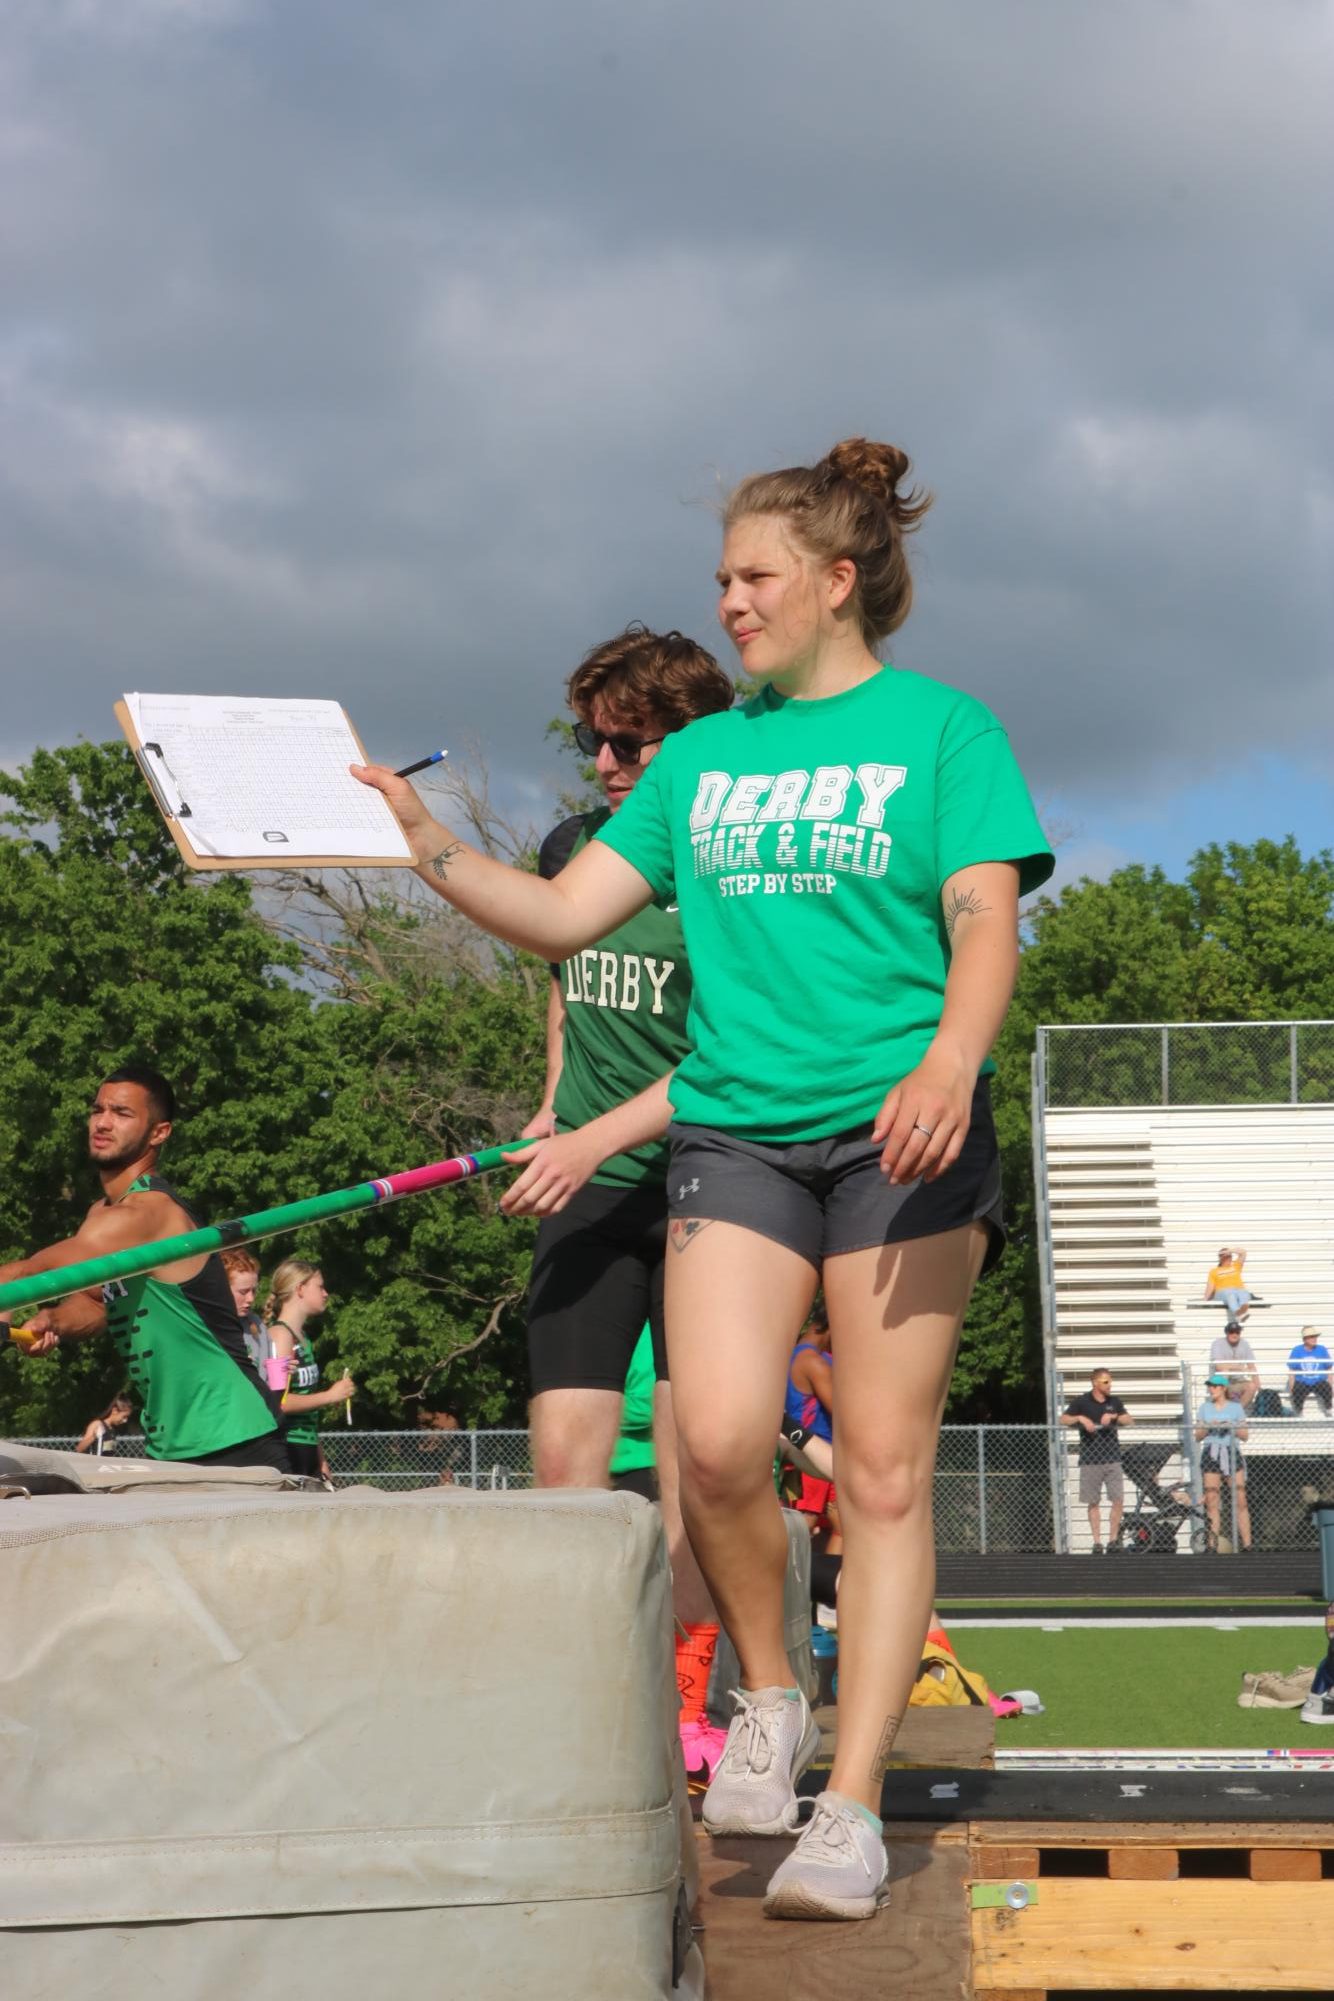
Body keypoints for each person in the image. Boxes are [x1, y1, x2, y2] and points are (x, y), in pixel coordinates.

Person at [353, 433, 1053, 1921]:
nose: (728, 602)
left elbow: (985, 921)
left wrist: (946, 1061)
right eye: (720, 578)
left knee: (875, 1468)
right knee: (722, 1449)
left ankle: (851, 1803)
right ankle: (767, 1691)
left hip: (899, 1134)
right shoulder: (698, 760)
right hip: (734, 1130)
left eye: (752, 577)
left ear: (834, 580)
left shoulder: (941, 731)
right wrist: (422, 844)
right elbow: (553, 915)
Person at [495, 624, 733, 1771]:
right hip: (584, 1183)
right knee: (564, 1467)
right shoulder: (569, 849)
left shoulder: (728, 872)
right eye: (593, 742)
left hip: (707, 1182)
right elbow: (565, 994)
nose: (604, 765)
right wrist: (552, 1109)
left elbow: (733, 1050)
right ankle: (579, 1697)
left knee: (699, 1476)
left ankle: (685, 1699)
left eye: (628, 745)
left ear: (690, 740)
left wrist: (592, 1137)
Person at [2, 1066, 290, 1470]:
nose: (102, 1122)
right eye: (97, 1109)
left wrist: (9, 1289)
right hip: (169, 1443)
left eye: (121, 1113)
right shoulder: (101, 1213)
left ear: (159, 1133)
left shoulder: (151, 1210)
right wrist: (52, 1320)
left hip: (234, 1434)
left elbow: (32, 1271)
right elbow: (100, 1302)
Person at [263, 1260, 355, 1480]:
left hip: (306, 1446)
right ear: (300, 1289)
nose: (326, 1294)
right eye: (320, 1287)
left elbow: (309, 1413)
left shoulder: (304, 1339)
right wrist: (331, 1396)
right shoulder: (281, 1336)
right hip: (287, 1445)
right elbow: (280, 1403)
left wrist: (320, 1458)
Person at [1060, 1368, 1131, 1553]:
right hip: (1091, 1459)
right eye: (1106, 1382)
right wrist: (1080, 1418)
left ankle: (1113, 1540)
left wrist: (1114, 1416)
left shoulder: (1114, 1402)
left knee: (1118, 1499)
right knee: (1093, 1501)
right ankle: (1097, 1542)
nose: (1110, 1385)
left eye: (1110, 1381)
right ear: (1095, 1383)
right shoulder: (1082, 1401)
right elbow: (1064, 1419)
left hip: (1112, 1458)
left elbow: (1128, 1419)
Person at [1195, 1372, 1252, 1551]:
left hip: (1230, 1452)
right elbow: (1197, 1436)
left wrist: (1231, 1426)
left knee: (1240, 1499)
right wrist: (1208, 1426)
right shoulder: (1205, 1408)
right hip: (1212, 1452)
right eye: (1209, 1386)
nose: (1211, 1389)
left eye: (1214, 1386)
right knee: (1212, 1499)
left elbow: (1245, 1436)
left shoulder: (1235, 1408)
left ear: (1223, 1388)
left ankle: (1248, 1544)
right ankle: (1212, 1545)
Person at [221, 1246, 268, 1382]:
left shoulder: (256, 1324)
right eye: (243, 1292)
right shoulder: (204, 1327)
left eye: (253, 1291)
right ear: (221, 1289)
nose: (251, 1299)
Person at [1208, 1318, 1260, 1410]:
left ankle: (1237, 1412)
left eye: (1237, 1332)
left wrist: (1258, 1384)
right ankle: (1220, 1410)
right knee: (1224, 1372)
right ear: (1226, 1333)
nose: (1234, 1334)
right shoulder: (1217, 1343)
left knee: (1252, 1386)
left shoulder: (1245, 1344)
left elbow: (1251, 1366)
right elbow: (1219, 1367)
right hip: (1221, 1382)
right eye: (1231, 1332)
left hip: (1238, 1382)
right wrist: (1240, 1368)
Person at [1287, 1325, 1333, 1416]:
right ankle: (1299, 1411)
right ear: (1305, 1339)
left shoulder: (1322, 1349)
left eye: (1315, 1336)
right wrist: (1291, 1387)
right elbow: (1291, 1369)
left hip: (1318, 1381)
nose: (1314, 1339)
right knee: (1297, 1390)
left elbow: (1329, 1368)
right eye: (1311, 1337)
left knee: (1327, 1388)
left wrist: (1332, 1385)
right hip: (1302, 1381)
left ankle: (1328, 1409)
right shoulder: (1297, 1350)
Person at [75, 1390, 135, 1456]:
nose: (125, 1420)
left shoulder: (112, 1429)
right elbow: (79, 1449)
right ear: (115, 1410)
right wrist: (94, 1436)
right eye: (124, 1417)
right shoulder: (97, 1424)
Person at [1204, 1245, 1253, 1320]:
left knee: (1244, 1293)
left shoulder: (1236, 1266)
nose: (1228, 1258)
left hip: (1239, 1289)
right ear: (1220, 1258)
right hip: (1222, 1291)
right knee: (1230, 1294)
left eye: (1229, 1256)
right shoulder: (1214, 1271)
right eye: (1225, 1257)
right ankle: (1239, 1313)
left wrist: (1230, 1251)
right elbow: (1210, 1287)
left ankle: (1243, 1311)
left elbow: (1243, 1252)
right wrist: (1206, 1299)